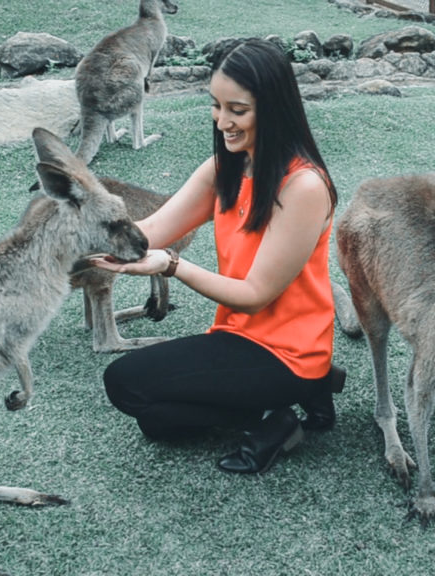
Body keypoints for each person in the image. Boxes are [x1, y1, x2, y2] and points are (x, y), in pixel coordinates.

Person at [90, 38, 343, 475]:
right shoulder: (224, 168)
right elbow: (151, 231)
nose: (223, 121)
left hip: (286, 351)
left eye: (238, 110)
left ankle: (286, 407)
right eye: (216, 105)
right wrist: (87, 239)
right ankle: (291, 403)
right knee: (156, 420)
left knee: (124, 383)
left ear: (273, 107)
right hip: (236, 336)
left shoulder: (303, 187)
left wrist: (173, 266)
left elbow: (254, 294)